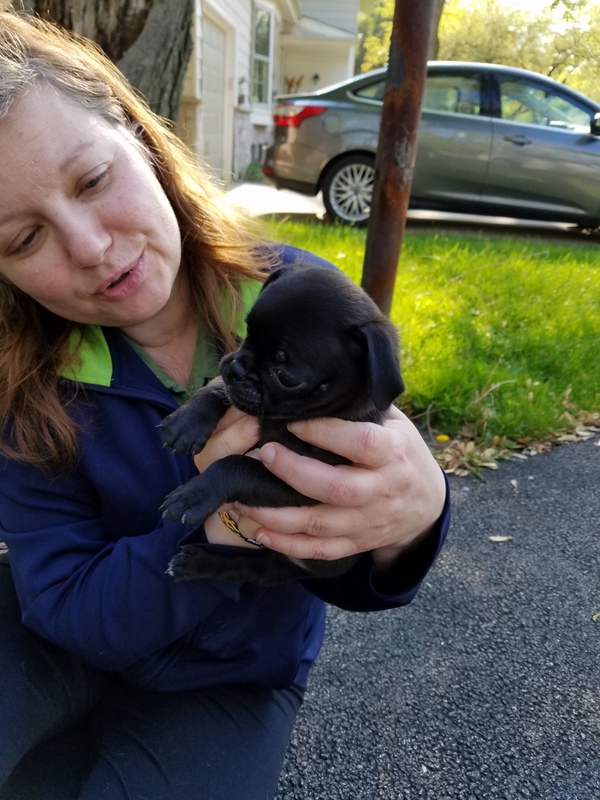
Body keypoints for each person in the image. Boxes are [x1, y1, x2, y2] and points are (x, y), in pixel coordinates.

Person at [0, 10, 450, 800]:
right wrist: (220, 514)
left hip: (234, 673)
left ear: (137, 133)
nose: (92, 248)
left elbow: (353, 559)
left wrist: (413, 518)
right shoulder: (20, 387)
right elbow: (65, 605)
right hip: (59, 640)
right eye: (23, 238)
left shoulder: (296, 297)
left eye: (93, 180)